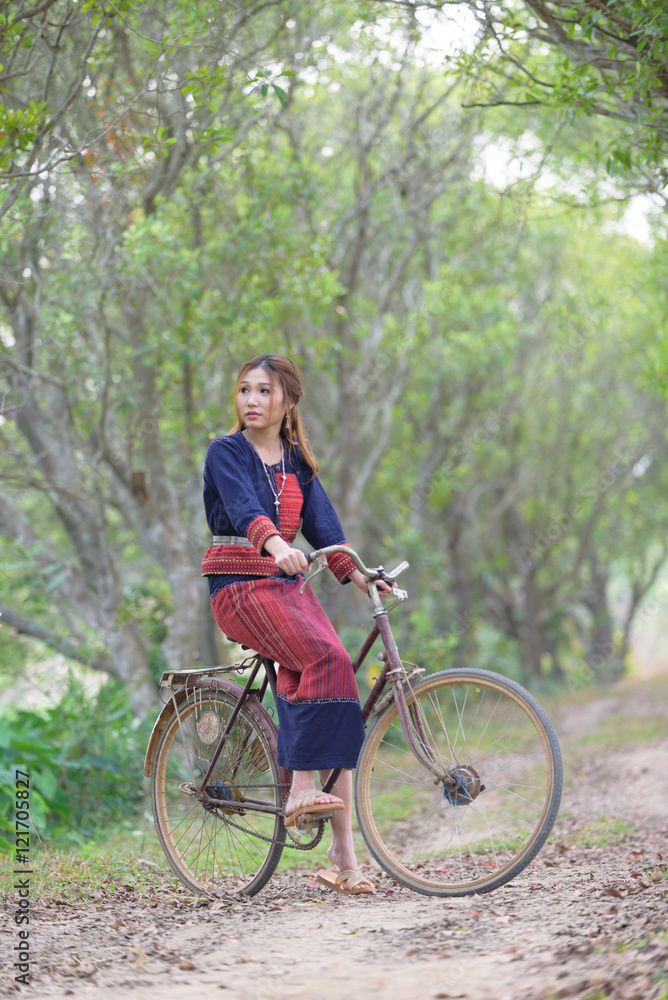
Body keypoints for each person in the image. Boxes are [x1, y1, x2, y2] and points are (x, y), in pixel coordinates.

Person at [200, 354, 391, 896]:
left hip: (286, 591)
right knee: (326, 660)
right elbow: (242, 509)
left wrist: (361, 576)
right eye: (244, 390)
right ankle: (299, 789)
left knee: (336, 693)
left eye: (264, 391)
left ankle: (343, 858)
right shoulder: (225, 451)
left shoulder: (296, 462)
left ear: (287, 402)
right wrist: (277, 544)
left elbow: (327, 530)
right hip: (238, 586)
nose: (252, 400)